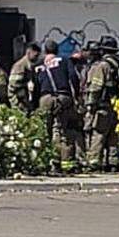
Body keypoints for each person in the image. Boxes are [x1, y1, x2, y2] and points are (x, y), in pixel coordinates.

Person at [35, 39, 81, 173]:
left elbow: (34, 85)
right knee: (60, 130)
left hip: (44, 99)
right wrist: (76, 95)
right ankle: (61, 163)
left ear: (45, 51)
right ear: (56, 50)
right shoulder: (64, 60)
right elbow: (73, 77)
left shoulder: (38, 65)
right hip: (62, 97)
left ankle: (46, 161)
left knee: (45, 131)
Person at [86, 36, 119, 171]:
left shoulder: (102, 66)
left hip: (102, 106)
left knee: (99, 133)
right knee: (113, 136)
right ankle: (113, 163)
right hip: (116, 106)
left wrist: (90, 106)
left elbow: (96, 87)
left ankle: (94, 162)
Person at [8, 41, 42, 114]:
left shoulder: (31, 67)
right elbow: (11, 90)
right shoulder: (20, 66)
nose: (37, 58)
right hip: (20, 107)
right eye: (35, 55)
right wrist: (17, 106)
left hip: (27, 105)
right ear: (28, 52)